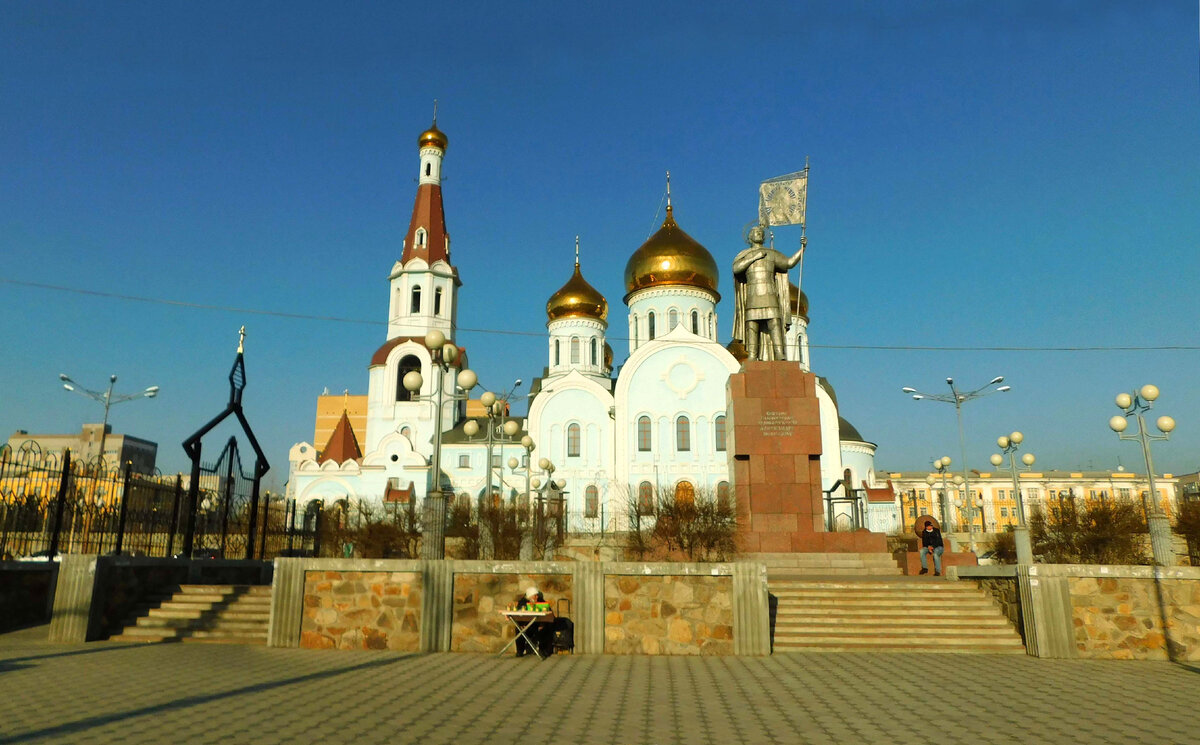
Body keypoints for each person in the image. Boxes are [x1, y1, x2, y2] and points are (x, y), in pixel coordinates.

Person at [731, 225, 804, 361]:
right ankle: (753, 355)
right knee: (752, 325)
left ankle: (779, 354)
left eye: (760, 232)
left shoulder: (771, 254)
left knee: (774, 323)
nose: (758, 233)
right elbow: (736, 268)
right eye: (755, 232)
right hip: (753, 295)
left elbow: (788, 263)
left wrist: (802, 249)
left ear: (763, 237)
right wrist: (754, 257)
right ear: (749, 237)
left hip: (770, 293)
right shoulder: (744, 255)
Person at [514, 586, 554, 658]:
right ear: (529, 596)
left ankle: (543, 651)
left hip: (538, 625)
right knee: (518, 629)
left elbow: (550, 613)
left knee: (546, 628)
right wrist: (521, 624)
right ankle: (520, 651)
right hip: (526, 625)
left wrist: (543, 624)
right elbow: (518, 614)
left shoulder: (541, 601)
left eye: (537, 595)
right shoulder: (523, 602)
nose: (536, 597)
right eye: (534, 595)